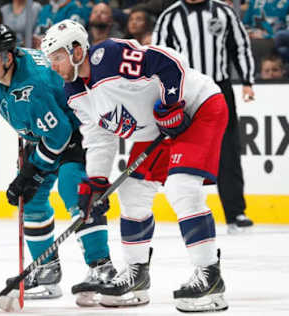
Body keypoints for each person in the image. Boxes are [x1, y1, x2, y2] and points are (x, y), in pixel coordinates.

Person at [42, 19, 229, 312]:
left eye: (57, 58)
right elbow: (98, 136)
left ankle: (210, 276)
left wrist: (171, 105)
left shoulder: (109, 57)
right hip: (159, 129)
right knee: (131, 192)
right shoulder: (74, 92)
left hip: (198, 108)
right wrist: (97, 181)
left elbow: (168, 61)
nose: (53, 66)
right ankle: (136, 275)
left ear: (76, 51)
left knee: (182, 188)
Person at [0, 24, 116, 307]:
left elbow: (60, 134)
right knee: (31, 199)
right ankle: (47, 272)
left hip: (78, 130)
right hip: (47, 132)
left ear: (8, 58)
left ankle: (103, 268)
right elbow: (13, 104)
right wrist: (27, 134)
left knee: (75, 192)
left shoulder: (33, 85)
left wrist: (32, 170)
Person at [152, 0, 255, 234]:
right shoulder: (169, 17)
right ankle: (185, 211)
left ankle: (235, 212)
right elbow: (157, 56)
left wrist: (247, 80)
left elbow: (239, 46)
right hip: (184, 90)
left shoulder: (224, 12)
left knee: (228, 148)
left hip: (219, 89)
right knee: (179, 147)